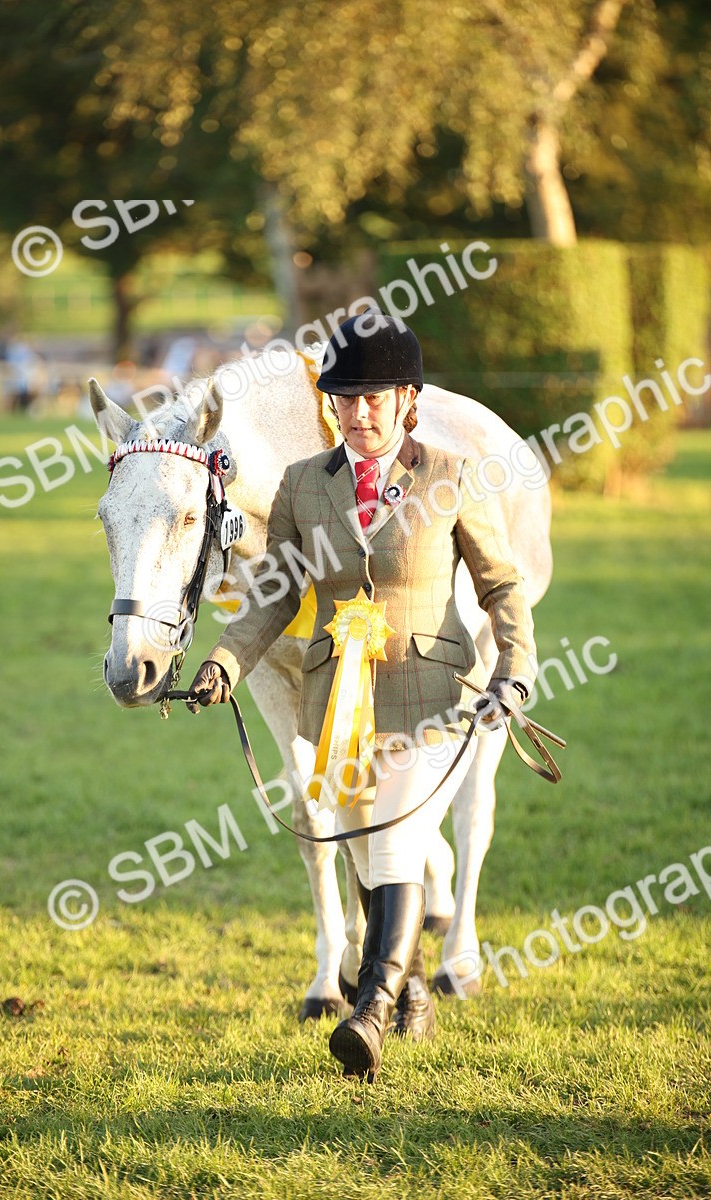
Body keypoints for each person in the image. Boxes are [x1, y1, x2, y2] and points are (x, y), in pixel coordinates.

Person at [188, 311, 537, 1081]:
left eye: (376, 397)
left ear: (408, 399)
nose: (360, 412)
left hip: (433, 691)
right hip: (337, 701)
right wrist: (225, 661)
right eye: (346, 397)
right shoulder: (302, 486)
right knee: (357, 845)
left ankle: (371, 1004)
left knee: (395, 842)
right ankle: (411, 987)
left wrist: (515, 665)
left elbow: (502, 581)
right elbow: (273, 598)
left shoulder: (451, 475)